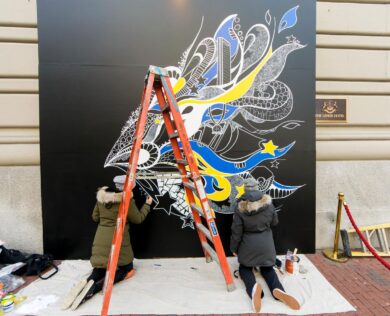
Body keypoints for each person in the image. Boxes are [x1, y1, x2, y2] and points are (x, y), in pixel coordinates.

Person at [61, 185, 152, 310]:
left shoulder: (101, 198)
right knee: (128, 269)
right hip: (117, 240)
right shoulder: (126, 200)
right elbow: (137, 219)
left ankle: (89, 281)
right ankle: (97, 287)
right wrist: (147, 205)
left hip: (101, 239)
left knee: (100, 267)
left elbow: (95, 217)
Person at [230, 178, 300, 313]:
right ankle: (278, 290)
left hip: (248, 246)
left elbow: (236, 231)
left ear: (245, 190)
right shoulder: (268, 204)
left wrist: (234, 248)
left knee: (245, 268)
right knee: (268, 268)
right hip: (266, 246)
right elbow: (274, 222)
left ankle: (253, 288)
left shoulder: (240, 207)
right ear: (258, 188)